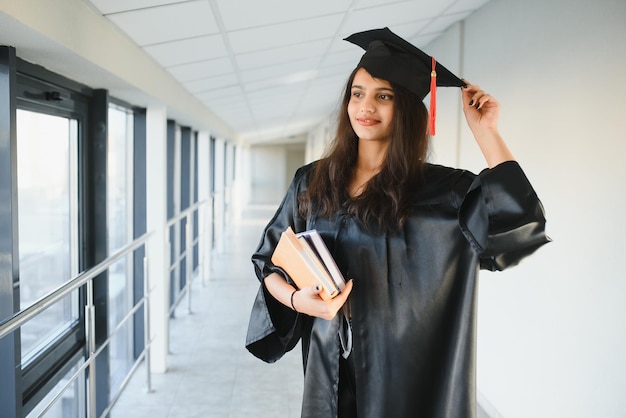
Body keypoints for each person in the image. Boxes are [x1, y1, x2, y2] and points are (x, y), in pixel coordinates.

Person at [246, 27, 549, 418]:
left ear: (407, 108)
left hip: (407, 375)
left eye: (383, 96)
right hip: (328, 367)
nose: (364, 107)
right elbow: (269, 262)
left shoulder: (444, 191)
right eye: (357, 94)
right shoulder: (313, 181)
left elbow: (521, 222)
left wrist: (487, 133)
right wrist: (295, 300)